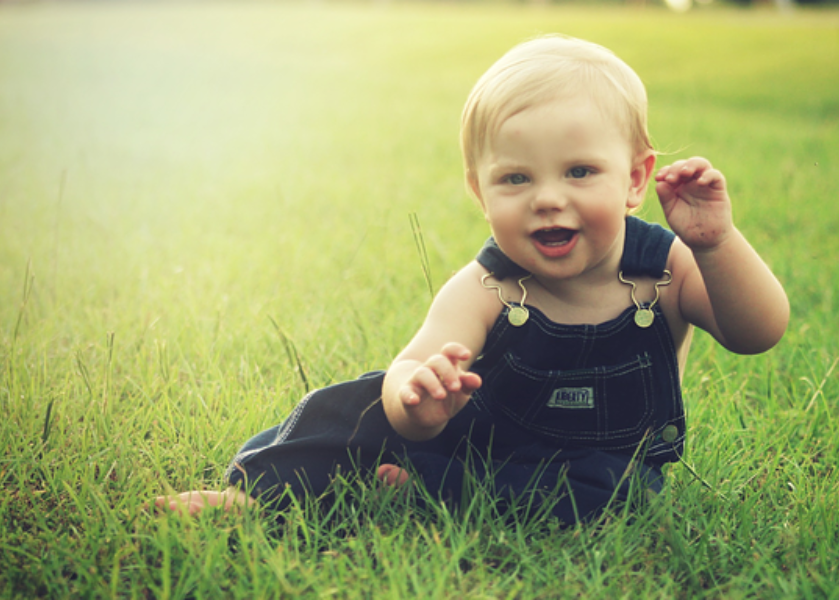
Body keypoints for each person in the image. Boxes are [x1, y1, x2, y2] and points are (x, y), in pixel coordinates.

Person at [155, 34, 789, 521]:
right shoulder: (486, 287)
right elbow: (414, 365)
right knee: (354, 407)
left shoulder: (668, 268)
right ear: (479, 192)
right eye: (516, 178)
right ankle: (259, 493)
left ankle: (424, 490)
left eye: (579, 172)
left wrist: (718, 244)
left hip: (596, 468)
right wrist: (418, 402)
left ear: (633, 179)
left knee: (619, 494)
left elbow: (756, 331)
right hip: (474, 440)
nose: (547, 198)